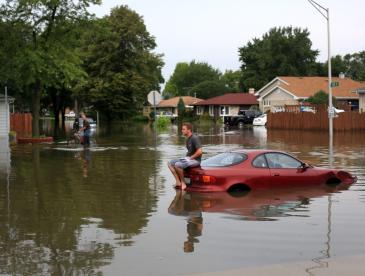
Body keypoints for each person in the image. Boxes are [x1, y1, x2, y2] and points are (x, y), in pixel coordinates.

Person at [168, 122, 202, 190]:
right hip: (188, 158)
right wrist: (186, 158)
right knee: (170, 163)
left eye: (183, 129)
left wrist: (190, 158)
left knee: (178, 164)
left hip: (195, 160)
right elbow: (189, 152)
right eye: (182, 129)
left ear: (189, 130)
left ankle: (183, 183)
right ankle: (178, 182)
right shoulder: (188, 139)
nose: (182, 131)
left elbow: (199, 152)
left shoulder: (194, 138)